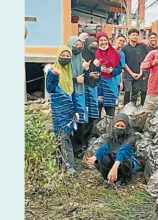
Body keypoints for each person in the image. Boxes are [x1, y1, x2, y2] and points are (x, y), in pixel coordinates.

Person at [46, 46, 79, 174]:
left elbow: (73, 93)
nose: (65, 58)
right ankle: (70, 166)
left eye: (67, 56)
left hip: (69, 110)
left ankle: (59, 163)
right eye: (63, 55)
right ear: (58, 56)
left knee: (62, 137)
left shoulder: (69, 72)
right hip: (59, 110)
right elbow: (50, 88)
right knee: (63, 136)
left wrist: (76, 110)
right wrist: (54, 75)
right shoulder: (52, 71)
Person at [86, 113, 138, 186]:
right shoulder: (111, 135)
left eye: (122, 126)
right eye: (117, 126)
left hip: (124, 162)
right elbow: (104, 147)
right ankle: (108, 178)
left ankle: (123, 180)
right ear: (113, 126)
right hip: (113, 161)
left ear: (127, 126)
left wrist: (115, 167)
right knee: (103, 158)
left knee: (125, 162)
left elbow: (124, 151)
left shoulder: (131, 137)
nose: (119, 128)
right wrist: (95, 157)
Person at [67, 36, 89, 156]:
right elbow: (62, 79)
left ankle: (78, 148)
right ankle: (68, 147)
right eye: (76, 45)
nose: (78, 47)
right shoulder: (65, 60)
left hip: (80, 93)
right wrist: (75, 80)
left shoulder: (82, 60)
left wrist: (86, 69)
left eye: (80, 45)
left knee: (80, 120)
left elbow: (85, 76)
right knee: (69, 121)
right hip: (68, 95)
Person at [95, 31, 123, 117]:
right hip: (98, 85)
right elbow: (90, 68)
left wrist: (112, 71)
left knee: (111, 113)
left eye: (105, 40)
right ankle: (97, 129)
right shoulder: (94, 53)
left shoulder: (114, 53)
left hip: (111, 85)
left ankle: (110, 129)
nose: (104, 42)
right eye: (101, 40)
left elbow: (119, 69)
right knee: (97, 113)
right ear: (97, 42)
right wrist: (99, 69)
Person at [122, 28, 149, 106]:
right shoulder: (125, 48)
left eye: (137, 35)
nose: (135, 37)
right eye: (133, 35)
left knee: (135, 92)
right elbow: (124, 63)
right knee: (127, 90)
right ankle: (126, 107)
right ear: (129, 36)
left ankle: (133, 107)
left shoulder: (142, 47)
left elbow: (143, 61)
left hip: (138, 73)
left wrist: (140, 73)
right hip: (128, 74)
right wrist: (131, 73)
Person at [82, 36, 100, 146]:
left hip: (93, 89)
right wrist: (89, 75)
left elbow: (99, 77)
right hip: (83, 90)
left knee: (92, 116)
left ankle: (87, 140)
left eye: (95, 45)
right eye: (92, 44)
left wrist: (97, 70)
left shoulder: (95, 59)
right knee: (84, 116)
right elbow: (78, 75)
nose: (94, 47)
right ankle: (81, 141)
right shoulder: (82, 58)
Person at [113, 34, 127, 99]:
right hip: (107, 79)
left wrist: (121, 82)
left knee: (115, 99)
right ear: (115, 40)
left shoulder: (122, 54)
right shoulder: (108, 50)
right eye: (120, 40)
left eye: (123, 41)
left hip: (117, 81)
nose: (121, 42)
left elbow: (122, 69)